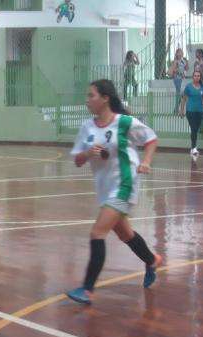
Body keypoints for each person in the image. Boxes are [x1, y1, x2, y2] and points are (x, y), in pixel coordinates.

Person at [66, 79, 162, 305]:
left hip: (124, 184)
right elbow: (78, 160)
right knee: (125, 234)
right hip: (105, 189)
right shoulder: (87, 127)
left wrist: (146, 161)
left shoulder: (124, 122)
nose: (87, 100)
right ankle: (151, 260)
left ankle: (87, 289)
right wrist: (88, 153)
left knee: (97, 232)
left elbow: (151, 139)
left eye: (91, 95)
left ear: (105, 98)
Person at [179, 70, 203, 162]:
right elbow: (184, 99)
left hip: (199, 111)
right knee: (193, 128)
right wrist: (181, 110)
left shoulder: (202, 88)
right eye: (195, 76)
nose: (197, 77)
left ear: (200, 77)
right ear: (193, 77)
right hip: (190, 111)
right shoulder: (188, 87)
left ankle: (193, 147)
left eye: (198, 76)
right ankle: (194, 148)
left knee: (195, 129)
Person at [168, 48, 189, 113]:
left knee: (179, 94)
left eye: (181, 52)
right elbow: (172, 71)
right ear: (177, 54)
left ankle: (176, 109)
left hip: (182, 79)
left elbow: (186, 69)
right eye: (179, 52)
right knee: (179, 93)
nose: (181, 53)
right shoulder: (175, 61)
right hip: (177, 78)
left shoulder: (183, 61)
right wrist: (179, 72)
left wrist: (187, 63)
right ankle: (176, 109)